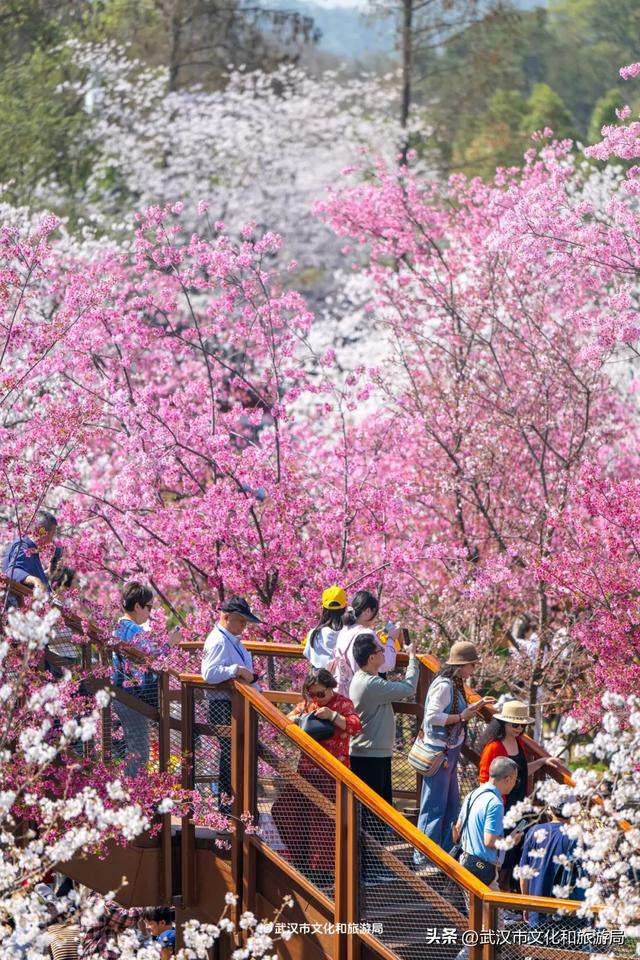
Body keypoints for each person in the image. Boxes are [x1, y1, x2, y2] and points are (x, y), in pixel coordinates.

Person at [271, 668, 361, 881]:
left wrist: (333, 716)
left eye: (321, 694)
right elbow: (286, 718)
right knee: (286, 811)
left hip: (333, 771)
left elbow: (355, 726)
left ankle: (322, 870)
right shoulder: (308, 705)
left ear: (331, 688)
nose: (317, 699)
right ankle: (302, 860)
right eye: (313, 694)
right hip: (306, 771)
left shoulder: (343, 704)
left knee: (323, 823)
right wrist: (294, 720)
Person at [415, 642, 496, 859]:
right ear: (462, 666)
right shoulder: (445, 685)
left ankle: (441, 851)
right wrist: (461, 717)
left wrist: (477, 706)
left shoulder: (454, 683)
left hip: (447, 752)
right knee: (434, 806)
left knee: (449, 804)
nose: (474, 670)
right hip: (439, 753)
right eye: (472, 665)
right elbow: (432, 716)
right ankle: (423, 855)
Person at [349, 632, 418, 880]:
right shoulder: (370, 683)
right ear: (371, 657)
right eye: (380, 651)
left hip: (372, 754)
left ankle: (373, 866)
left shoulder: (367, 678)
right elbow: (408, 687)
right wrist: (412, 659)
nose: (384, 654)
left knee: (378, 811)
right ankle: (370, 868)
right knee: (375, 813)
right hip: (369, 756)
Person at [477, 700, 564, 889]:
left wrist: (541, 762)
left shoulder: (518, 743)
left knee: (517, 848)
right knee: (503, 851)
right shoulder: (493, 747)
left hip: (520, 805)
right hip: (502, 805)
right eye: (514, 725)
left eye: (522, 725)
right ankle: (501, 890)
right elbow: (485, 778)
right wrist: (494, 802)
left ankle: (513, 890)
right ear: (504, 724)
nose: (518, 729)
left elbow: (521, 771)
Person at [201, 595, 263, 813]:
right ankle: (227, 809)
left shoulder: (230, 639)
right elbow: (208, 673)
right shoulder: (219, 640)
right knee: (230, 757)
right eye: (241, 621)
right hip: (224, 706)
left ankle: (233, 807)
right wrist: (235, 671)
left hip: (233, 705)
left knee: (233, 755)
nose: (244, 626)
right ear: (226, 617)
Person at [112, 581, 163, 777]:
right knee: (139, 750)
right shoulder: (133, 629)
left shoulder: (118, 625)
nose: (150, 612)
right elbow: (155, 656)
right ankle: (134, 794)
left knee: (134, 745)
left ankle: (131, 791)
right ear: (137, 606)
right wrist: (170, 644)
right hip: (132, 695)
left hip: (122, 692)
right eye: (148, 607)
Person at [452, 756, 521, 888]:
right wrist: (510, 840)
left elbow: (457, 830)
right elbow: (489, 841)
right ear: (507, 779)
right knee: (491, 908)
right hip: (482, 869)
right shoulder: (495, 803)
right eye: (515, 780)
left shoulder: (472, 794)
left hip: (464, 862)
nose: (515, 784)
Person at [518, 795, 586, 927]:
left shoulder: (534, 831)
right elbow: (590, 878)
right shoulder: (579, 836)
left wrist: (526, 904)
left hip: (537, 910)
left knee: (536, 948)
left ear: (550, 808)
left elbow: (523, 875)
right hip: (569, 914)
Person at [331, 590, 399, 695]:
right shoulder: (366, 633)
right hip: (362, 692)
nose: (375, 618)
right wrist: (391, 639)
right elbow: (386, 664)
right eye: (375, 613)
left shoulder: (344, 630)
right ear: (367, 611)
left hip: (344, 690)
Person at [2, 510, 58, 593]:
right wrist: (35, 580)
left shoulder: (32, 549)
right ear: (43, 532)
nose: (52, 539)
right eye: (52, 533)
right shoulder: (24, 547)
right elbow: (12, 571)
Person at [302, 585, 347, 668]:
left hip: (319, 679)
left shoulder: (314, 633)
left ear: (323, 608)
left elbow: (308, 654)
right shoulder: (349, 634)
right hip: (342, 679)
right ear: (345, 607)